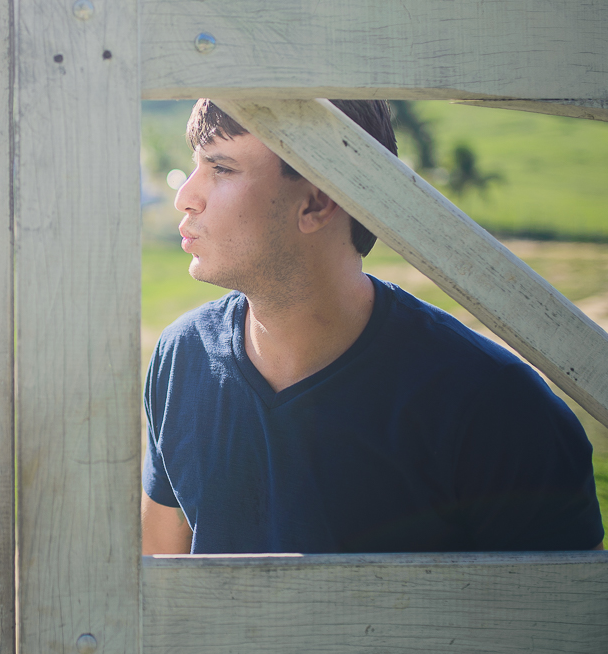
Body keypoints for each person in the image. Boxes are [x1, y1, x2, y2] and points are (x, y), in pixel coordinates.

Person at [142, 98, 603, 555]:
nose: (185, 196)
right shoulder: (181, 356)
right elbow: (159, 576)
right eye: (196, 164)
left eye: (221, 168)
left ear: (316, 202)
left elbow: (562, 603)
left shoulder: (497, 407)